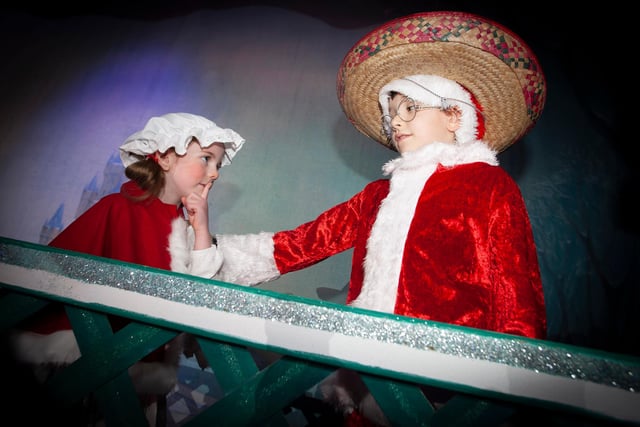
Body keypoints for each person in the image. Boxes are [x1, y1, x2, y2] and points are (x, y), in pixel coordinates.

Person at [212, 10, 547, 426]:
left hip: (449, 388)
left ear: (454, 115)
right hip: (366, 380)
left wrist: (515, 376)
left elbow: (516, 291)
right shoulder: (379, 193)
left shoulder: (489, 186)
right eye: (392, 113)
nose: (397, 121)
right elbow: (307, 241)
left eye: (410, 107)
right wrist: (214, 257)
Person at [11, 112, 245, 422]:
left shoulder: (188, 231)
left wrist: (201, 226)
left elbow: (201, 291)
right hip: (88, 371)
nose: (214, 173)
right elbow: (48, 270)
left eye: (217, 165)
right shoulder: (117, 209)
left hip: (144, 380)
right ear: (164, 158)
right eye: (206, 159)